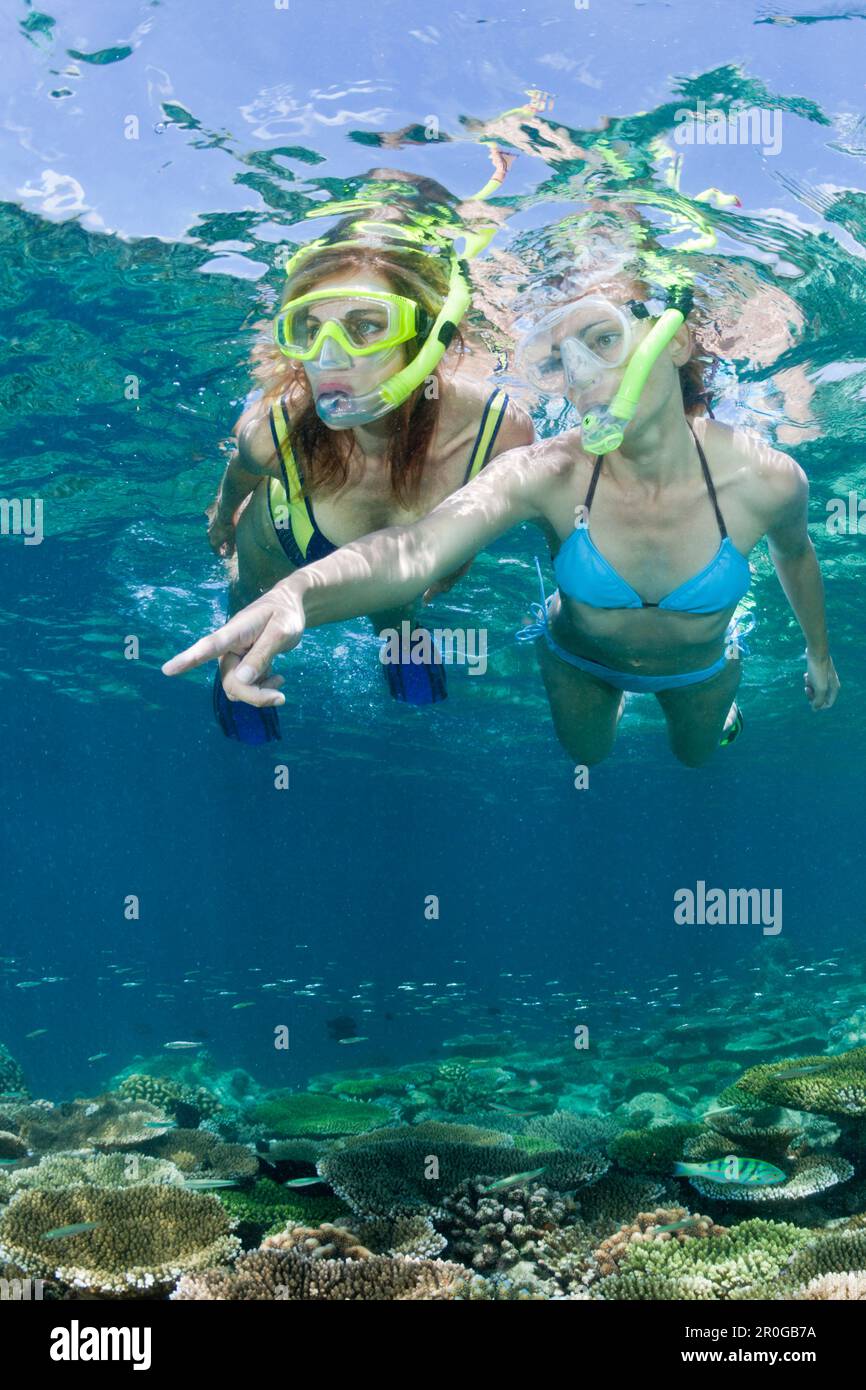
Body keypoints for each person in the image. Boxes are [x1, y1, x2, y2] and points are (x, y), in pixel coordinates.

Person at [166, 255, 838, 767]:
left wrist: (819, 655)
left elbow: (796, 555)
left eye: (601, 341)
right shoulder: (544, 472)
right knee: (588, 759)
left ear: (678, 341)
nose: (577, 377)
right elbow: (417, 549)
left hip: (702, 665)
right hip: (580, 660)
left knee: (696, 758)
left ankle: (722, 705)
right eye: (557, 359)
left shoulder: (768, 479)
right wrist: (299, 592)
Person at [204, 190, 532, 740]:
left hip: (400, 577)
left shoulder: (498, 430)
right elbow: (237, 478)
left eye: (365, 325)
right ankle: (239, 686)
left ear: (425, 338)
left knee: (398, 611)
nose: (329, 356)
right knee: (248, 617)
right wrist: (220, 523)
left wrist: (457, 562)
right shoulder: (273, 433)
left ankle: (399, 646)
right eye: (311, 329)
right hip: (279, 553)